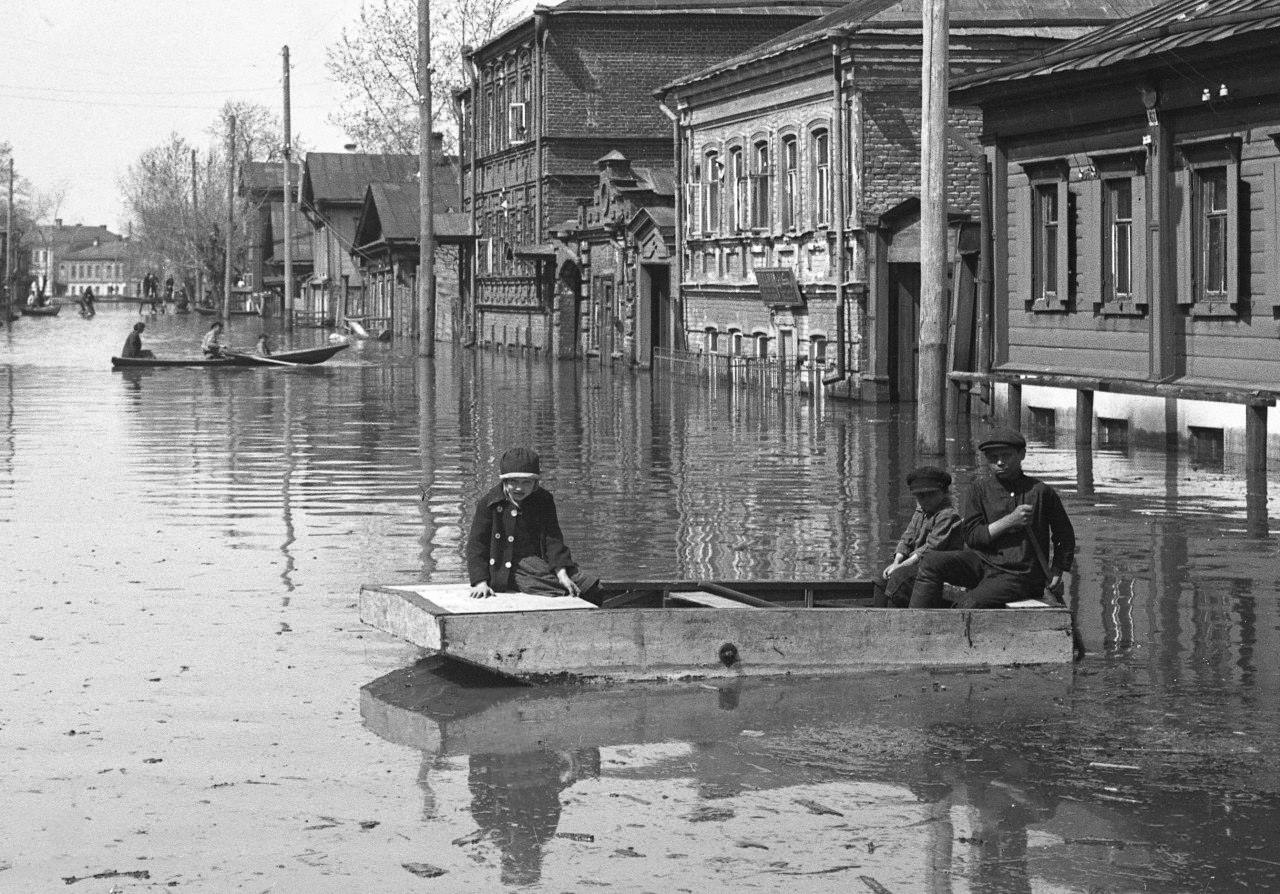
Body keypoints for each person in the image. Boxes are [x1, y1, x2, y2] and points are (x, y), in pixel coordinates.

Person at [910, 428, 1075, 609]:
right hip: (983, 564)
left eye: (1006, 456)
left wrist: (1058, 569)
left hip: (1020, 574)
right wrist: (1009, 521)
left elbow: (1064, 535)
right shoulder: (979, 489)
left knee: (968, 604)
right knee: (930, 562)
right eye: (993, 457)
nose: (1000, 462)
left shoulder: (1040, 492)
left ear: (1022, 454)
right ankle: (916, 620)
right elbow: (972, 537)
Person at [466, 447, 600, 601]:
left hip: (540, 562)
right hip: (507, 567)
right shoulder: (489, 503)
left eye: (526, 482)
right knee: (558, 589)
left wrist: (562, 573)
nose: (519, 488)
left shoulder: (543, 500)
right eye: (513, 481)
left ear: (535, 483)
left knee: (590, 586)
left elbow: (553, 539)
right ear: (504, 481)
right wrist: (481, 583)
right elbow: (476, 546)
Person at [873, 466, 963, 608]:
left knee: (899, 578)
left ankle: (892, 618)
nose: (925, 500)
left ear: (944, 492)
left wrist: (900, 567)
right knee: (881, 578)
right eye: (920, 496)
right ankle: (877, 616)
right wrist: (897, 562)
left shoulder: (948, 515)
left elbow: (930, 549)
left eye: (931, 495)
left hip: (937, 569)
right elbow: (907, 538)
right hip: (918, 565)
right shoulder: (921, 511)